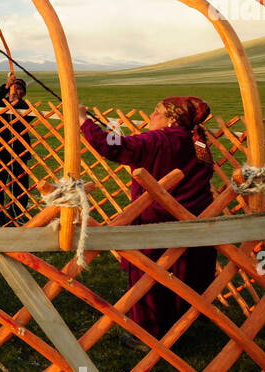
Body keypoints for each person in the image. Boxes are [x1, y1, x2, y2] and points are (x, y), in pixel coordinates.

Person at [79, 96, 216, 340]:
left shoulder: (159, 140)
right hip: (193, 223)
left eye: (156, 112)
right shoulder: (198, 142)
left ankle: (146, 333)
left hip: (156, 222)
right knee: (181, 276)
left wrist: (83, 121)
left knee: (149, 277)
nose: (151, 116)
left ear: (172, 119)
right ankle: (182, 326)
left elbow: (114, 146)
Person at [0, 73, 33, 226]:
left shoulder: (25, 107)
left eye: (19, 88)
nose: (16, 90)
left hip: (20, 151)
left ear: (24, 92)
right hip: (0, 150)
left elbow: (26, 115)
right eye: (14, 87)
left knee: (19, 183)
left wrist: (15, 102)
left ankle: (18, 213)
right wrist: (5, 87)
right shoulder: (0, 104)